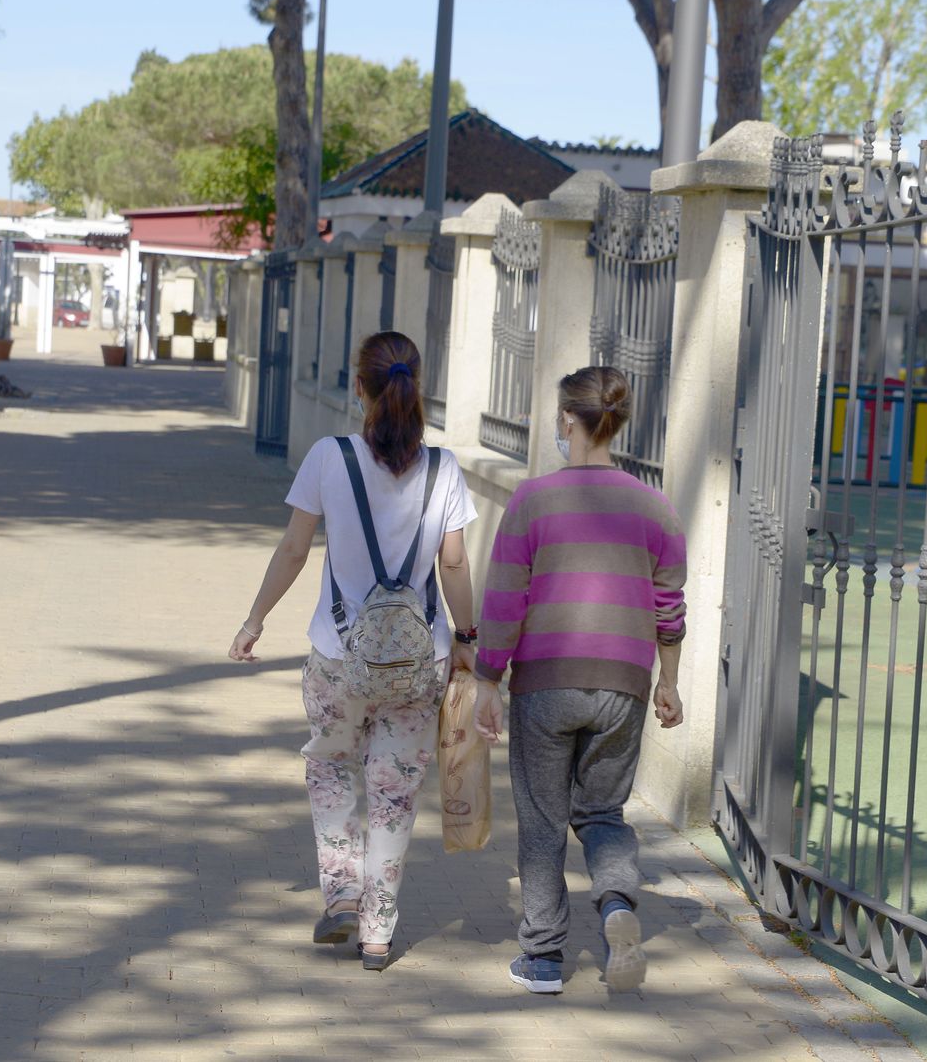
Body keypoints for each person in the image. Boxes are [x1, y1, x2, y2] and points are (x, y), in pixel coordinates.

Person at [228, 331, 479, 971]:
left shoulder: (328, 458)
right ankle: (377, 933)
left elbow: (292, 549)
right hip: (419, 663)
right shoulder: (445, 469)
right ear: (415, 385)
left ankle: (341, 891)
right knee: (393, 791)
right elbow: (453, 563)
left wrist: (255, 619)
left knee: (331, 765)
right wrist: (469, 643)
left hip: (338, 658)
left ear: (359, 386)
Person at [473, 365, 687, 995]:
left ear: (567, 418)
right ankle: (617, 905)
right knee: (602, 813)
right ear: (617, 422)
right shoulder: (656, 507)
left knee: (542, 819)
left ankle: (542, 960)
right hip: (624, 684)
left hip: (546, 680)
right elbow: (669, 605)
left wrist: (488, 678)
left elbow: (506, 600)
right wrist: (667, 682)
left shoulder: (532, 499)